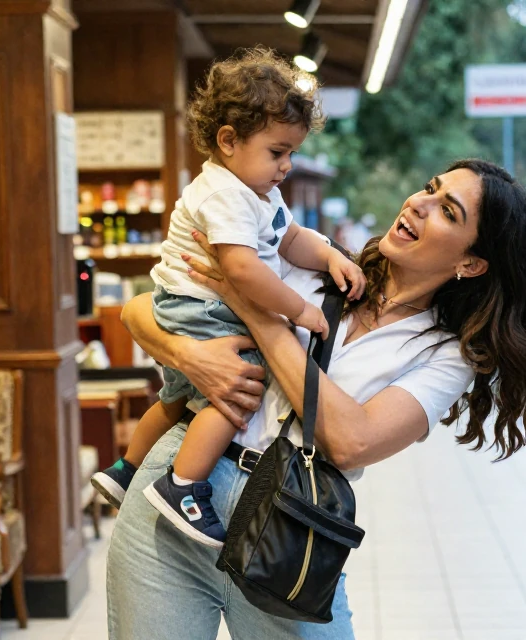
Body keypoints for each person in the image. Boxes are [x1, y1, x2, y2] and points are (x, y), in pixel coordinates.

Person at [107, 159, 526, 639]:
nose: (419, 204)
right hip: (178, 492)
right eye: (429, 188)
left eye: (447, 210)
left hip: (290, 531)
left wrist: (257, 313)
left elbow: (351, 441)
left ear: (470, 264)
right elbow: (139, 311)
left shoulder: (445, 354)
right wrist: (187, 355)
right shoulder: (319, 263)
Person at [90, 48, 365, 548]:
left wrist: (328, 255)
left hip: (189, 304)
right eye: (277, 152)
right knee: (238, 390)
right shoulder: (225, 194)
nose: (286, 166)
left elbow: (289, 238)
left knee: (176, 397)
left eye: (291, 154)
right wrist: (299, 309)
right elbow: (241, 270)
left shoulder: (257, 191)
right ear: (229, 140)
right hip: (201, 308)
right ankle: (183, 486)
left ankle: (125, 470)